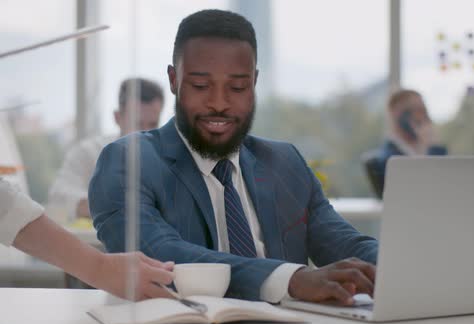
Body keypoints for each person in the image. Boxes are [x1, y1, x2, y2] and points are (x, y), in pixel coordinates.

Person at [89, 9, 378, 305]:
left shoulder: (283, 162)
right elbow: (160, 254)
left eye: (237, 87)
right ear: (174, 80)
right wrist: (291, 280)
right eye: (201, 86)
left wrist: (399, 269)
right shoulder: (128, 161)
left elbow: (343, 243)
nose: (218, 103)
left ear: (253, 83)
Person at [0, 177, 174, 300]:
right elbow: (10, 208)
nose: (143, 129)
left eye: (151, 123)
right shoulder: (92, 151)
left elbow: (9, 208)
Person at [47, 78, 164, 221]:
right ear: (117, 117)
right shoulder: (88, 152)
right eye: (138, 124)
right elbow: (58, 197)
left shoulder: (168, 158)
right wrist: (110, 205)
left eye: (153, 124)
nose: (146, 132)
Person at [363, 89, 447, 198]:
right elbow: (423, 190)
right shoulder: (385, 159)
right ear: (396, 114)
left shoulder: (430, 149)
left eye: (423, 109)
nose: (421, 116)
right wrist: (433, 149)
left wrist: (433, 147)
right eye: (414, 109)